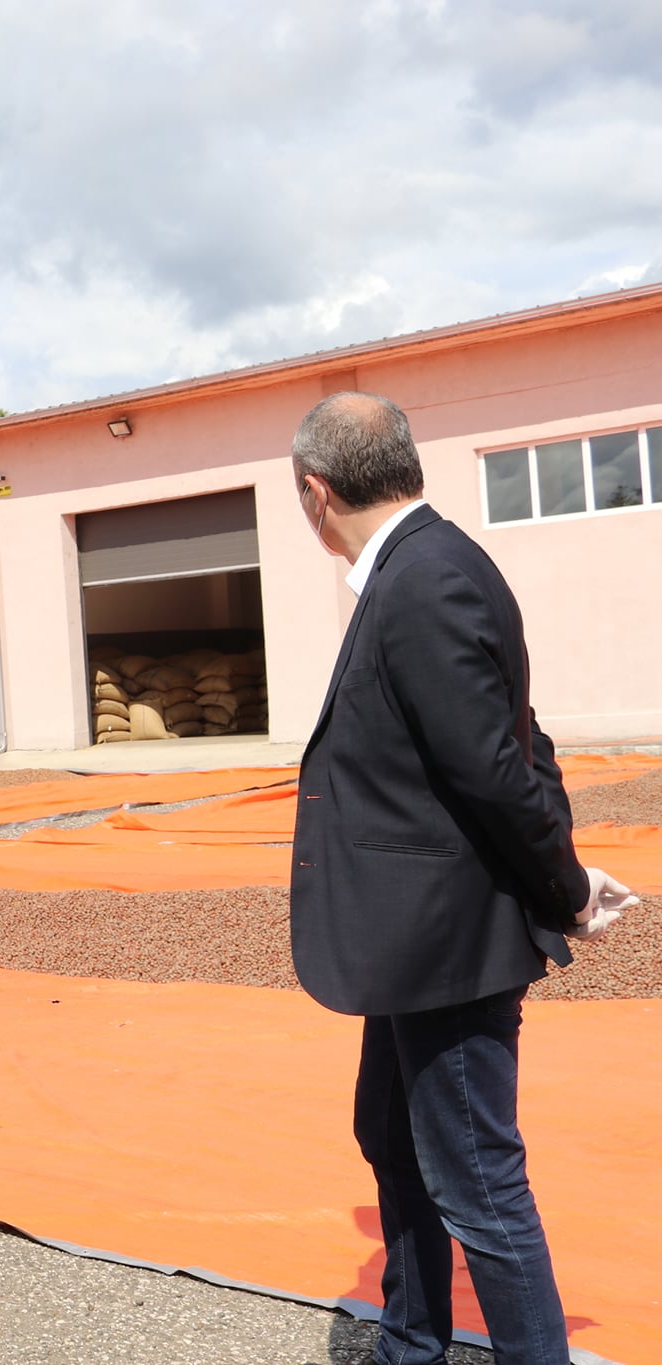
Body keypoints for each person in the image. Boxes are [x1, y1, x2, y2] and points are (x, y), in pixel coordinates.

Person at [288, 391, 637, 1365]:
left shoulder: (422, 580)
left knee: (476, 1182)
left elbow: (494, 766)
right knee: (391, 1137)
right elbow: (520, 736)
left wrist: (564, 885)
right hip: (411, 939)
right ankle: (411, 1344)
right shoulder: (425, 565)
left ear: (314, 493)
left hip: (446, 943)